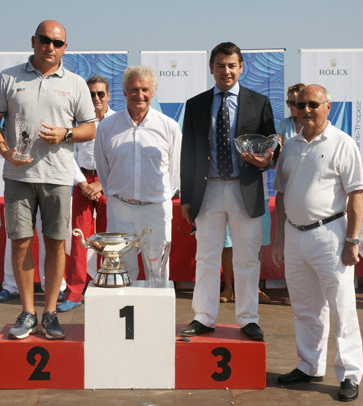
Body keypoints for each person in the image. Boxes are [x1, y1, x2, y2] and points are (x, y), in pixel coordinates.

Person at [0, 20, 96, 340]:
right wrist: (5, 151)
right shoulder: (8, 77)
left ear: (66, 47)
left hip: (58, 176)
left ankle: (49, 313)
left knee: (55, 243)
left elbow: (89, 127)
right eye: (45, 40)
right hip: (18, 175)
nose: (51, 47)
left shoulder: (75, 83)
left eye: (58, 43)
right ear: (33, 41)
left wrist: (67, 133)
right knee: (21, 243)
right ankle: (26, 312)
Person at [272, 84, 363, 402]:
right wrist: (279, 237)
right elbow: (281, 193)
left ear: (327, 106)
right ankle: (309, 365)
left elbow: (356, 195)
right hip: (295, 236)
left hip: (330, 236)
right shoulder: (292, 145)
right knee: (305, 308)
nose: (306, 109)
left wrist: (352, 241)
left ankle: (350, 373)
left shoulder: (343, 143)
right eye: (300, 105)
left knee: (341, 308)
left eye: (313, 104)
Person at [179, 42, 276, 341]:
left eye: (232, 65)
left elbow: (271, 144)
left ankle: (248, 318)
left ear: (241, 67)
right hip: (207, 191)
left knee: (247, 258)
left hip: (244, 189)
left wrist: (268, 158)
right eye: (220, 65)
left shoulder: (259, 102)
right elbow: (188, 153)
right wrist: (187, 197)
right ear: (211, 68)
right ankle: (204, 317)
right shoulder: (195, 104)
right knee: (207, 256)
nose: (226, 71)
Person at [94, 66, 181, 282]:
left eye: (145, 89)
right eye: (134, 89)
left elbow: (175, 172)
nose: (139, 95)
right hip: (120, 210)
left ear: (153, 92)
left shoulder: (168, 127)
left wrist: (156, 198)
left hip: (156, 210)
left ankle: (156, 317)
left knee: (158, 275)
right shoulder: (106, 127)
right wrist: (119, 195)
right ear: (124, 92)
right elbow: (104, 171)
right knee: (122, 273)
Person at [59, 75, 113, 312]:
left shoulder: (117, 122)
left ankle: (105, 286)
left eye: (100, 94)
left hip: (108, 183)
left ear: (108, 96)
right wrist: (83, 183)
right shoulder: (78, 122)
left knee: (108, 239)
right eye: (91, 94)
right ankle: (74, 293)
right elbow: (68, 154)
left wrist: (100, 184)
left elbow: (121, 158)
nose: (96, 98)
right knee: (79, 238)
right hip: (81, 181)